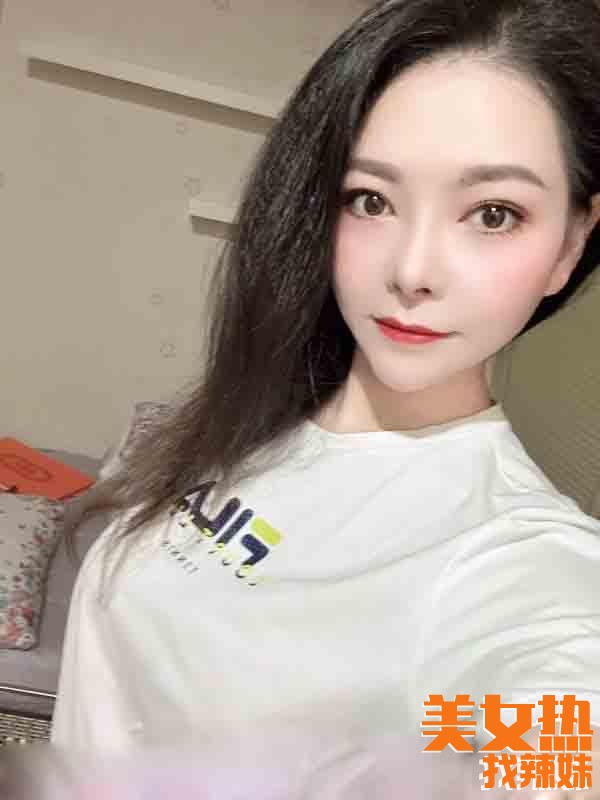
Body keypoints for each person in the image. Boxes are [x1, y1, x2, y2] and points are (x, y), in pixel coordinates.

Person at [50, 0, 600, 793]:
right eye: (370, 199)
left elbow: (557, 719)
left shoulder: (517, 559)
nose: (413, 271)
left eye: (493, 214)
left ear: (571, 243)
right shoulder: (255, 411)